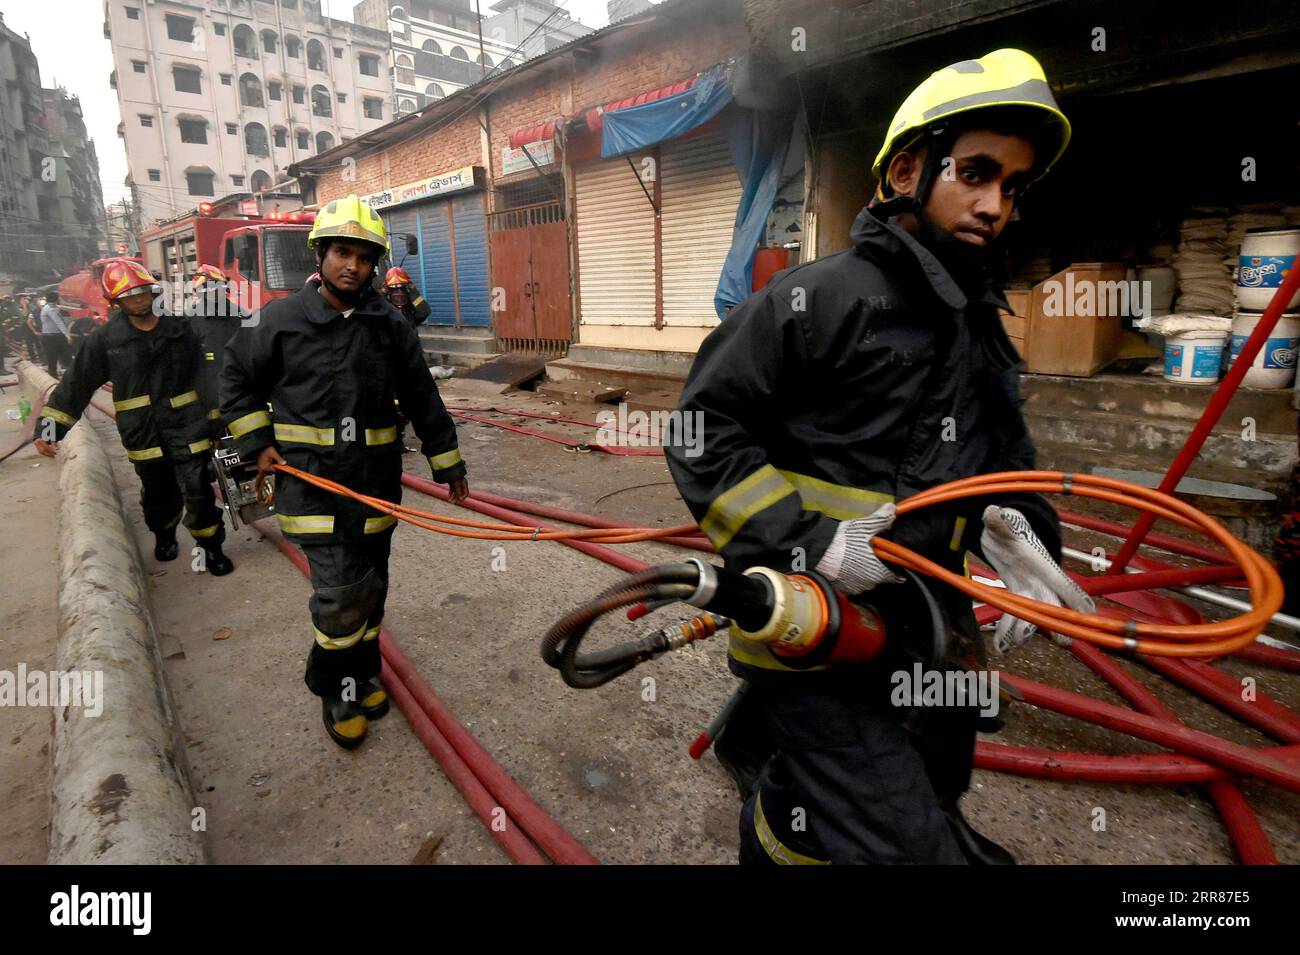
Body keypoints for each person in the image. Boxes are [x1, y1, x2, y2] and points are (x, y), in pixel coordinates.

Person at [666, 49, 1090, 865]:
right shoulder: (815, 300)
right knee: (911, 846)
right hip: (817, 632)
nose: (996, 204)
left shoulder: (981, 326)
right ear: (906, 169)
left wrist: (1027, 534)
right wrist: (813, 541)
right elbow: (699, 428)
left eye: (1013, 185)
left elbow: (1011, 461)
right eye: (977, 172)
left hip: (935, 635)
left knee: (925, 787)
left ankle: (777, 826)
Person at [221, 195, 469, 749]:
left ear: (375, 263)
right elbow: (234, 380)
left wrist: (447, 460)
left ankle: (362, 670)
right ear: (320, 253)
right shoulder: (279, 320)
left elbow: (422, 395)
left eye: (363, 255)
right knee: (339, 594)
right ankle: (337, 686)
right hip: (311, 486)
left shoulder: (390, 324)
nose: (352, 265)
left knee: (372, 587)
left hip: (375, 486)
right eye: (340, 252)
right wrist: (256, 443)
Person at [32, 259, 235, 577]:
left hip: (188, 426)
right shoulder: (105, 341)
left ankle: (212, 549)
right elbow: (77, 383)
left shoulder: (181, 330)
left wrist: (215, 420)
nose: (139, 300)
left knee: (199, 491)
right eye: (130, 296)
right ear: (116, 302)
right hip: (145, 435)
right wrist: (48, 427)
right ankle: (164, 533)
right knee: (159, 495)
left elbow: (204, 376)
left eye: (143, 293)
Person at [187, 263, 247, 441]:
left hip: (240, 391)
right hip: (207, 398)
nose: (215, 293)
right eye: (210, 289)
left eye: (218, 288)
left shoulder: (241, 315)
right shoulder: (190, 320)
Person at [39, 291, 72, 377]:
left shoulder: (49, 307)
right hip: (52, 338)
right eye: (59, 297)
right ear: (56, 299)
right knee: (57, 358)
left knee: (55, 358)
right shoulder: (50, 309)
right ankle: (56, 377)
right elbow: (59, 322)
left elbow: (58, 307)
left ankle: (61, 375)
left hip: (52, 336)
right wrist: (67, 335)